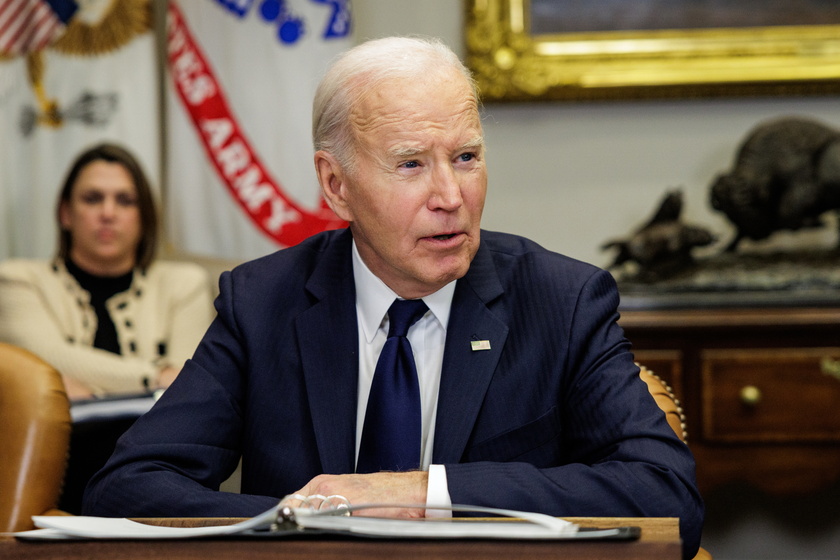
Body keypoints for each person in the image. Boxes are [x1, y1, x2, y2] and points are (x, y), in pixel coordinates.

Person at [82, 38, 703, 558]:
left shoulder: (561, 300)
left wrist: (423, 495)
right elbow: (127, 488)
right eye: (411, 165)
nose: (450, 195)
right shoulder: (264, 301)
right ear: (336, 185)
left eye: (466, 157)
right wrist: (314, 519)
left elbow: (666, 497)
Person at [0, 142, 215, 512]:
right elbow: (49, 359)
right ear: (66, 213)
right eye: (93, 198)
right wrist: (155, 376)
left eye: (125, 200)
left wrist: (77, 389)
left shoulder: (184, 284)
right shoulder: (17, 280)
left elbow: (189, 389)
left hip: (161, 471)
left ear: (144, 216)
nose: (108, 213)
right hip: (52, 473)